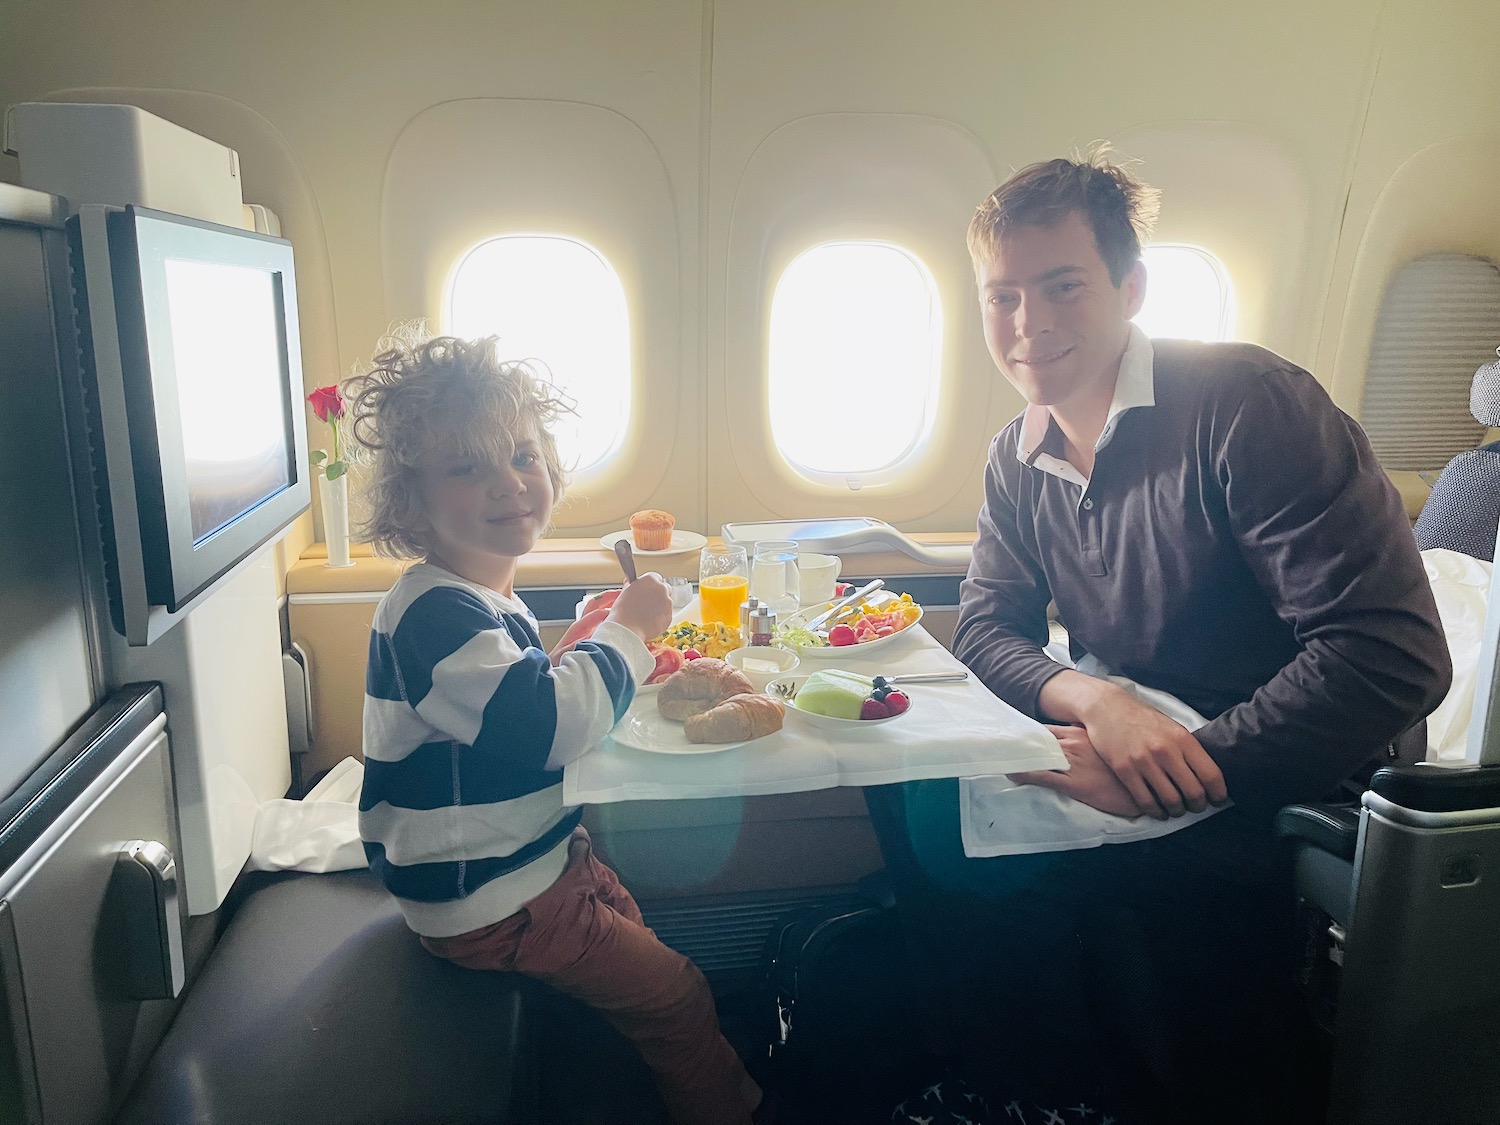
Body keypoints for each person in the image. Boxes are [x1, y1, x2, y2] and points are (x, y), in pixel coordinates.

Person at [879, 152, 1452, 1123]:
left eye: (1063, 286)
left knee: (948, 821)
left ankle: (1069, 1089)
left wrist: (1192, 759)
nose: (1030, 325)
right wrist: (1095, 704)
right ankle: (1038, 1085)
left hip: (1291, 754)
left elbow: (1391, 655)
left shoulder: (1245, 408)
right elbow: (985, 625)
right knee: (912, 783)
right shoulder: (1019, 457)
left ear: (1131, 288)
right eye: (1003, 296)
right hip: (1138, 717)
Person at [345, 332, 763, 1125]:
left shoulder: (475, 596)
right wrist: (628, 636)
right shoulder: (432, 613)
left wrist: (582, 645)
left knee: (639, 935)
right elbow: (545, 726)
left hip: (530, 862)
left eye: (523, 456)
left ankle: (642, 1088)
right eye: (467, 466)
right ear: (410, 503)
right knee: (679, 993)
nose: (509, 483)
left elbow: (512, 701)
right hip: (489, 899)